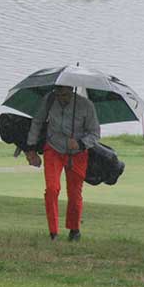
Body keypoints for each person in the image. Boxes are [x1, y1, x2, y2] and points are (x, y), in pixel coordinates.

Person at [25, 85, 101, 241]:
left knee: (74, 193)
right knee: (52, 189)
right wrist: (31, 149)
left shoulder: (86, 105)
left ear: (72, 90)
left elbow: (95, 133)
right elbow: (37, 122)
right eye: (58, 93)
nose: (61, 97)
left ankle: (74, 230)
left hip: (77, 154)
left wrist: (81, 143)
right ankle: (53, 232)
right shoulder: (49, 99)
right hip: (53, 149)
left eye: (65, 94)